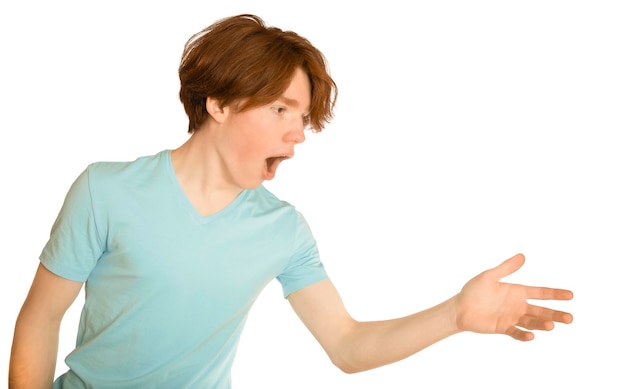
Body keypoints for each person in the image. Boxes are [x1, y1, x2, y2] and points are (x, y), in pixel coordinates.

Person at [9, 13, 574, 389]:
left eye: (303, 119)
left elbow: (347, 346)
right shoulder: (106, 190)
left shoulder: (284, 230)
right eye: (280, 110)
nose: (298, 132)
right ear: (219, 104)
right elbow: (41, 317)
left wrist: (454, 314)